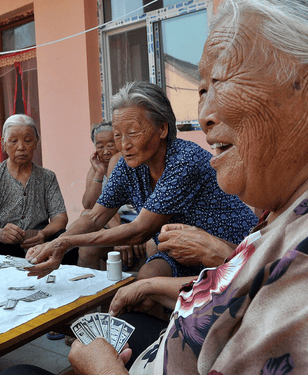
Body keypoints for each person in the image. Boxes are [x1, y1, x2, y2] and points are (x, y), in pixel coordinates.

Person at [7, 0, 308, 374]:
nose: (204, 113)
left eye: (219, 83)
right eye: (202, 90)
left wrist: (103, 367)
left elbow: (140, 230)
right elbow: (97, 215)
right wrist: (64, 245)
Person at [25, 81, 256, 279]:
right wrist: (55, 244)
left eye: (133, 132)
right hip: (183, 253)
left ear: (162, 129)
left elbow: (141, 230)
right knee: (148, 276)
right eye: (118, 135)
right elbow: (95, 216)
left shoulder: (185, 160)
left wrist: (66, 243)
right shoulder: (128, 166)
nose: (123, 144)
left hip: (230, 250)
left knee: (147, 285)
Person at [0, 114, 70, 260]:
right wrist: (0, 234)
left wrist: (44, 234)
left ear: (36, 142)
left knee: (66, 240)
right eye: (13, 141)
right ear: (3, 143)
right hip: (3, 245)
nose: (21, 147)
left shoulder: (47, 177)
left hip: (39, 243)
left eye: (27, 140)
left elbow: (60, 217)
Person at [82, 122, 151, 270]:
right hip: (111, 222)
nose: (106, 151)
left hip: (135, 219)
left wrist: (125, 234)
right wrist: (99, 174)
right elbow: (89, 205)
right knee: (85, 215)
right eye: (100, 146)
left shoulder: (132, 163)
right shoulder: (95, 169)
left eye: (110, 144)